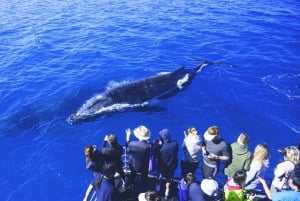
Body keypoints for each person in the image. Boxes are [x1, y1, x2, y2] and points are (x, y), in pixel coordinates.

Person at [153, 129, 178, 198]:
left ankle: (157, 190)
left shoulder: (160, 148)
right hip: (170, 167)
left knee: (159, 177)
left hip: (161, 166)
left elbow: (154, 154)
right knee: (168, 180)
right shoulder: (175, 144)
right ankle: (166, 193)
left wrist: (156, 145)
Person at [126, 125, 151, 192]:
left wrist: (128, 136)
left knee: (133, 175)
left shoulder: (132, 144)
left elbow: (128, 149)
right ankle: (143, 188)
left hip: (134, 164)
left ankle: (133, 186)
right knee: (144, 177)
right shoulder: (148, 146)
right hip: (144, 165)